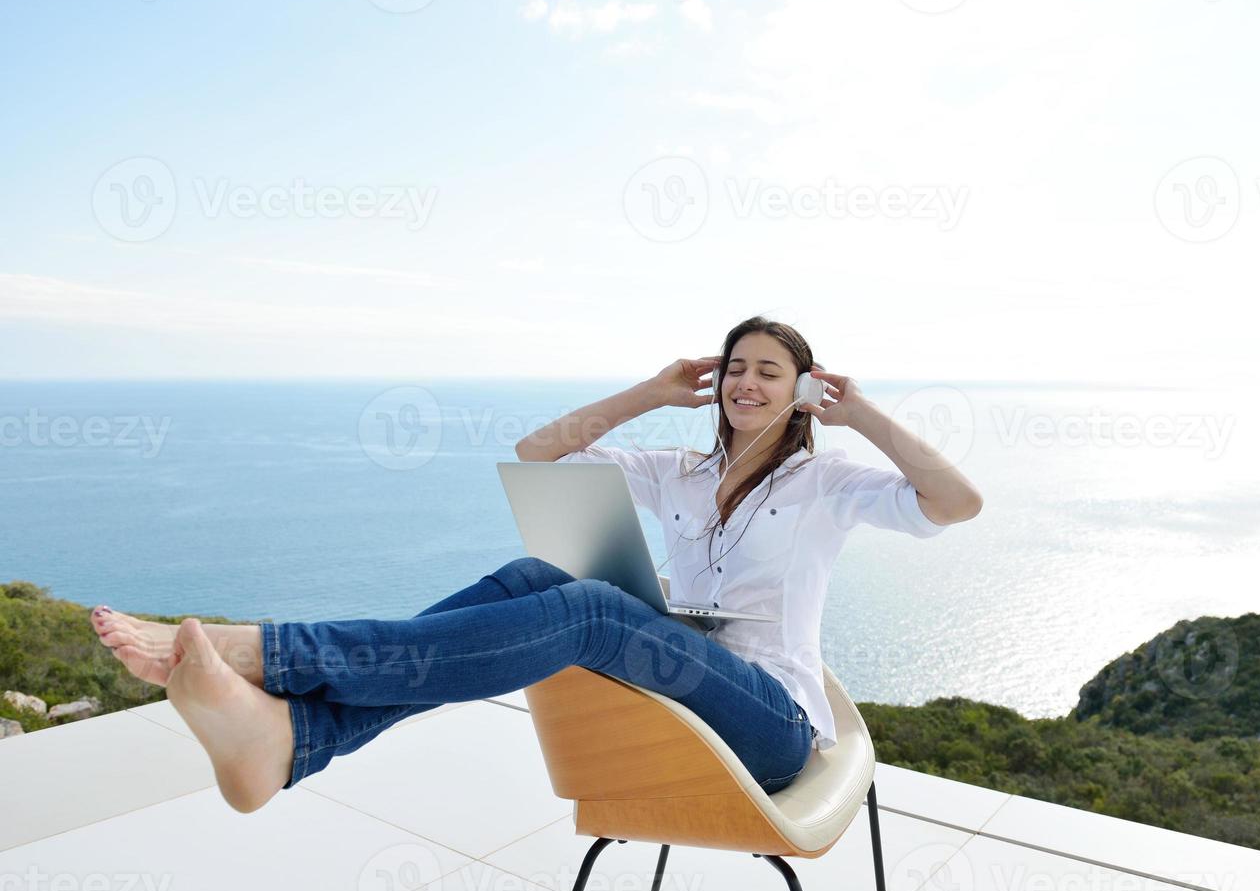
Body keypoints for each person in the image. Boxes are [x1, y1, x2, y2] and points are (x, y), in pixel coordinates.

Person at [90, 316, 984, 814]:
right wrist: (647, 392)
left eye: (771, 372)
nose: (748, 383)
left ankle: (274, 657)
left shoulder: (826, 479)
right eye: (736, 368)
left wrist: (858, 415)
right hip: (683, 682)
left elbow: (956, 504)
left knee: (591, 608)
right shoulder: (681, 469)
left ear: (801, 393)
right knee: (536, 579)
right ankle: (297, 740)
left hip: (771, 725)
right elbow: (536, 453)